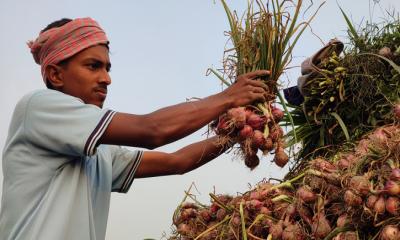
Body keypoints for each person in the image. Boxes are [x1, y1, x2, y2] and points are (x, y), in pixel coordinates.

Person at [0, 17, 269, 240]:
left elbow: (177, 161)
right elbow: (151, 130)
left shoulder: (100, 151)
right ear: (56, 75)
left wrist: (240, 129)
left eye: (107, 67)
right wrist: (229, 97)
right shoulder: (38, 108)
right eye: (93, 66)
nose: (106, 79)